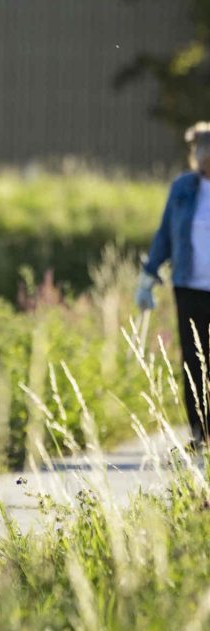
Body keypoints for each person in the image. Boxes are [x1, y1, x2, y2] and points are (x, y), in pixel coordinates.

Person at [136, 121, 210, 450]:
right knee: (194, 359)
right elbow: (165, 233)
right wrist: (148, 276)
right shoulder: (183, 187)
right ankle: (200, 431)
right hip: (189, 286)